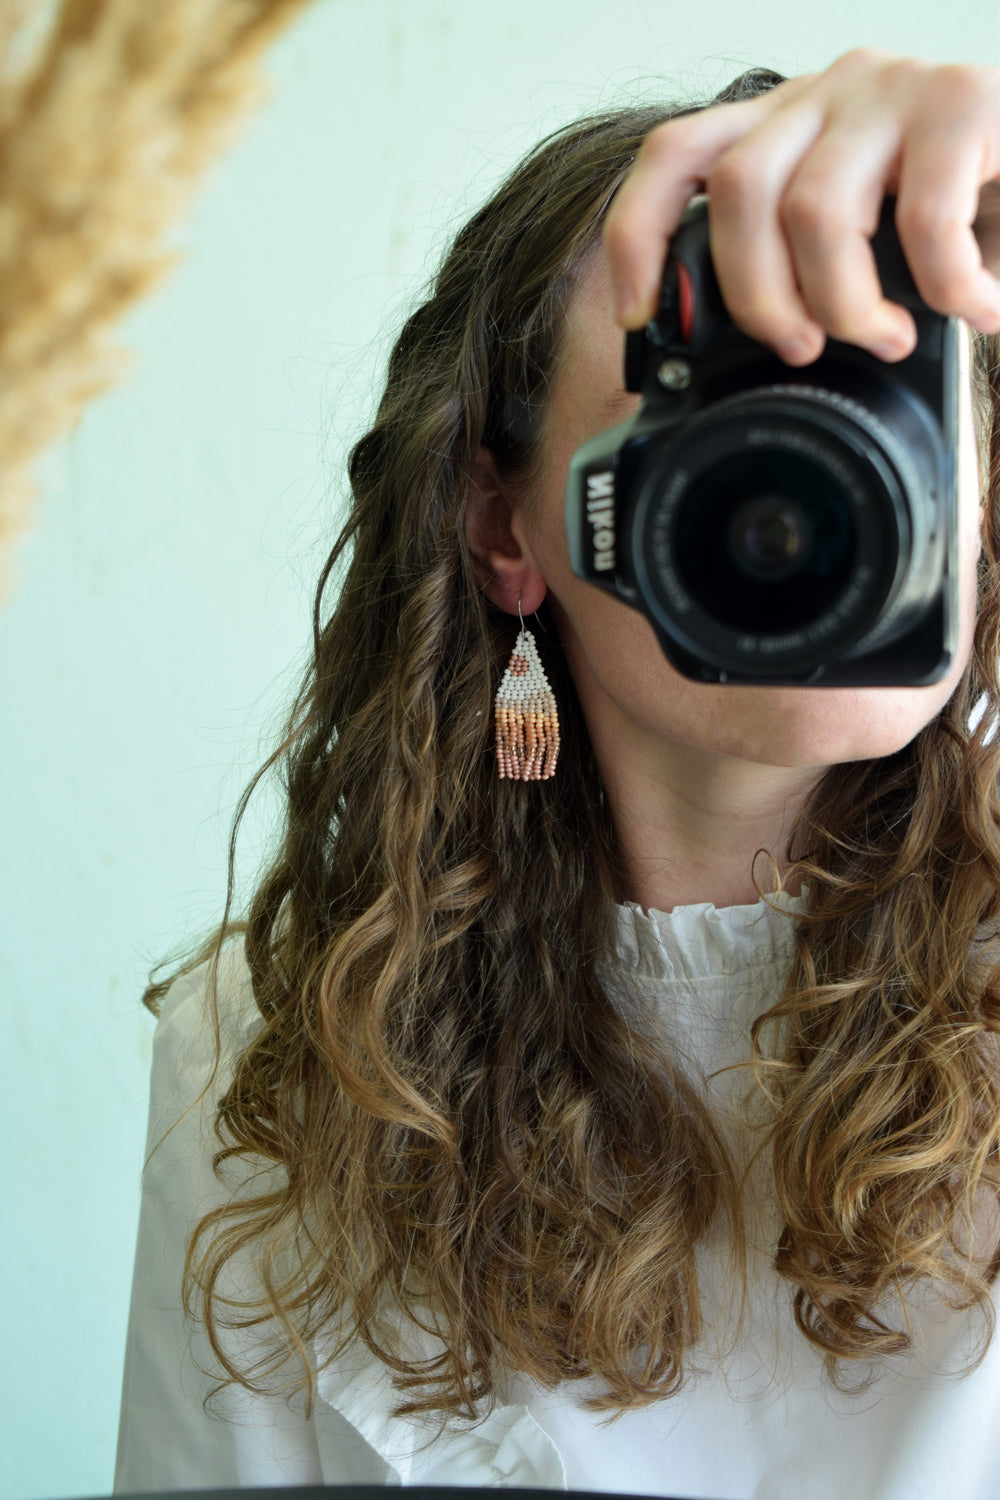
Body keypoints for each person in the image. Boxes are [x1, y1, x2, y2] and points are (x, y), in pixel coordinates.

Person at [115, 49, 1000, 1499]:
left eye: (885, 389)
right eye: (719, 409)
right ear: (512, 525)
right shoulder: (278, 1047)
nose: (827, 475)